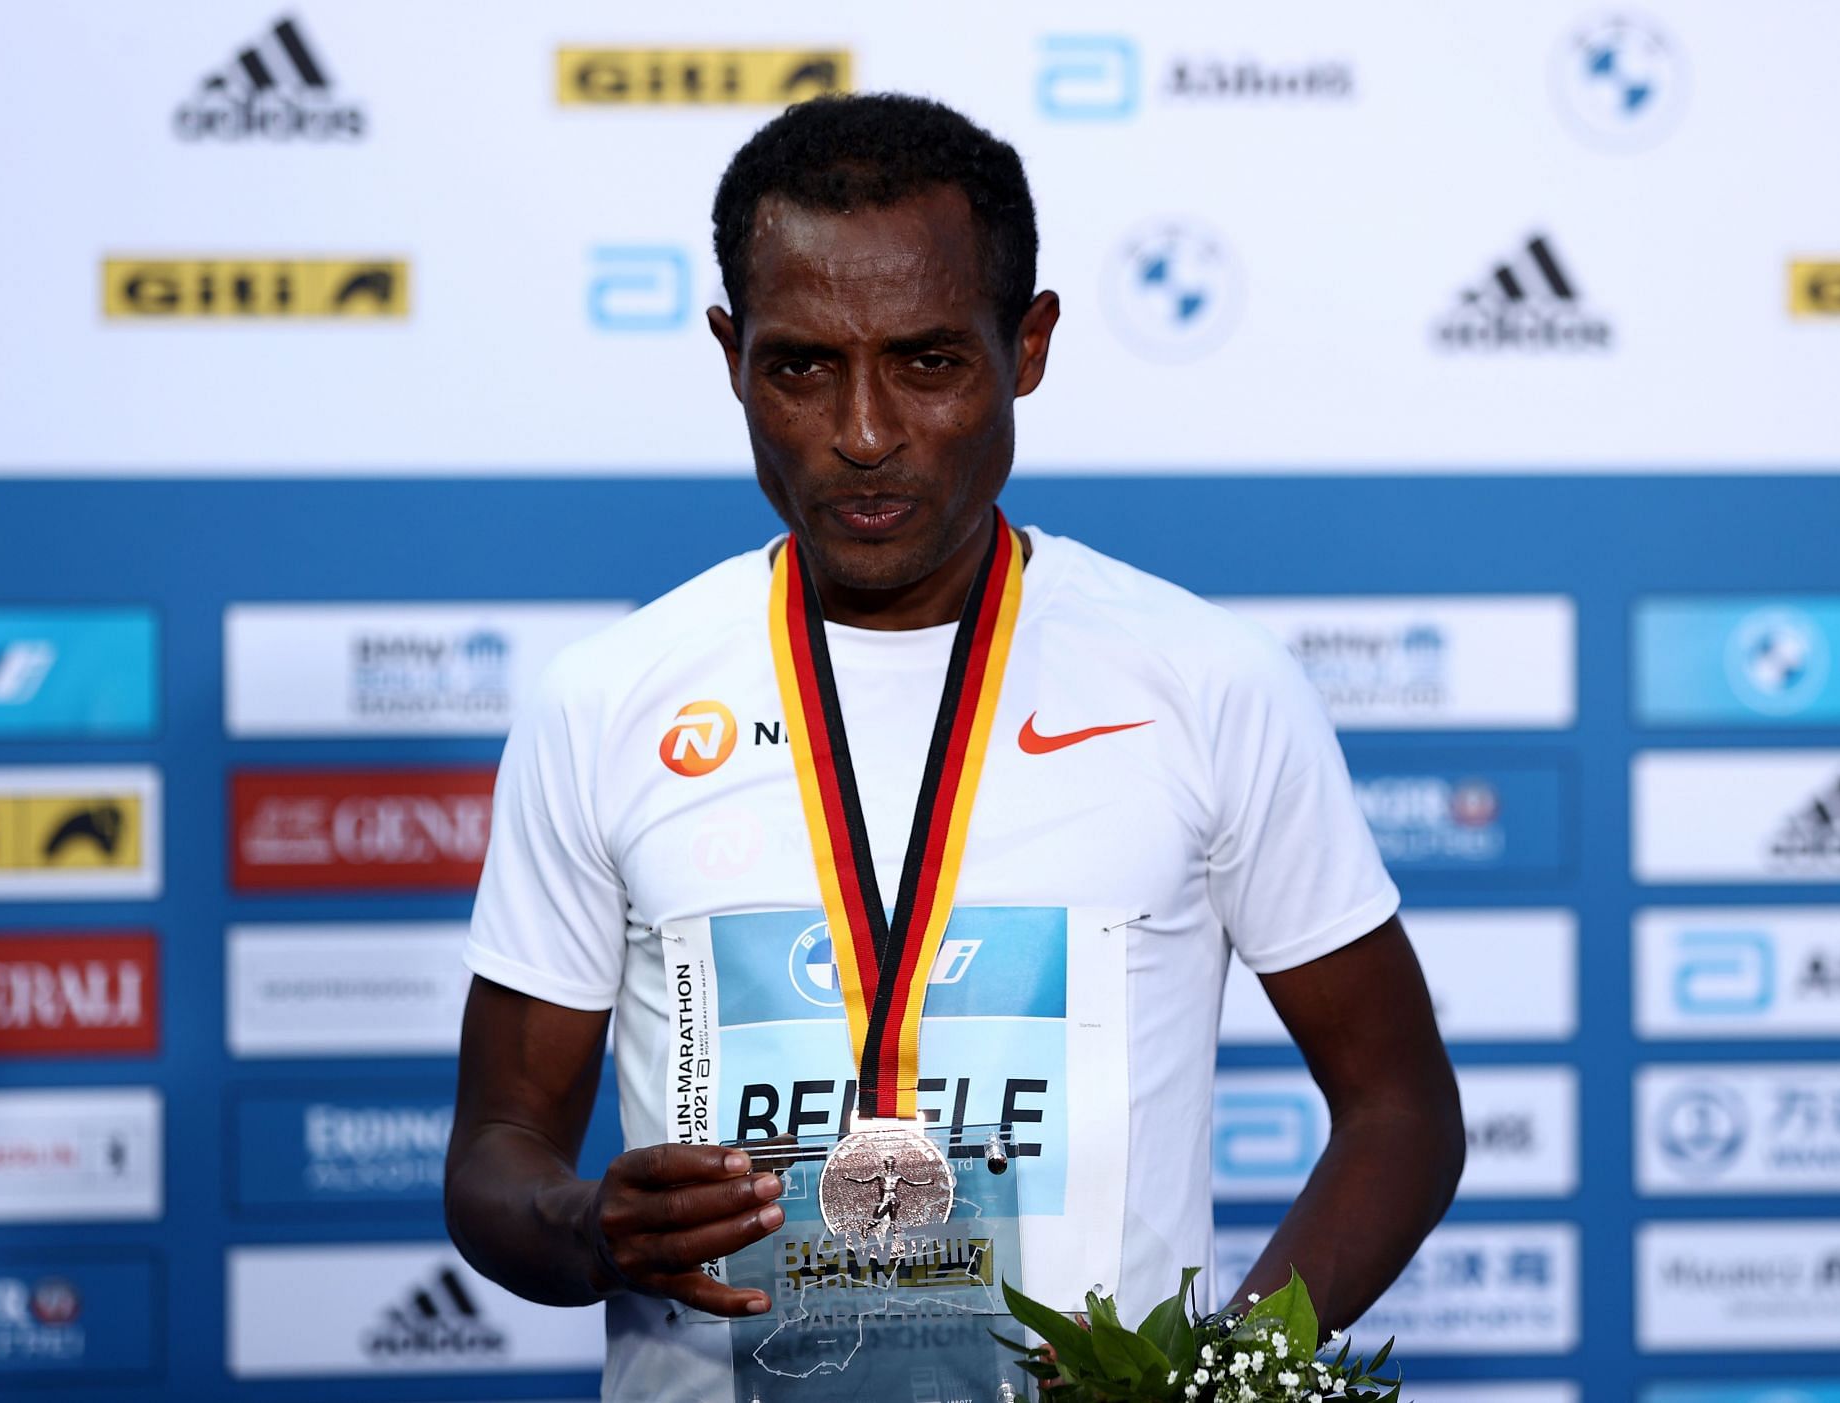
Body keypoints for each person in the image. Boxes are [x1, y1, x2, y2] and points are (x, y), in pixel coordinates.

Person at [445, 93, 1464, 1401]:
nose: (863, 431)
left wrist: (1214, 1382)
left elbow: (1401, 1113)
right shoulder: (610, 700)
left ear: (1027, 345)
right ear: (729, 354)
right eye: (800, 365)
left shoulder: (1207, 685)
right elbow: (496, 1151)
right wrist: (587, 1228)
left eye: (929, 362)